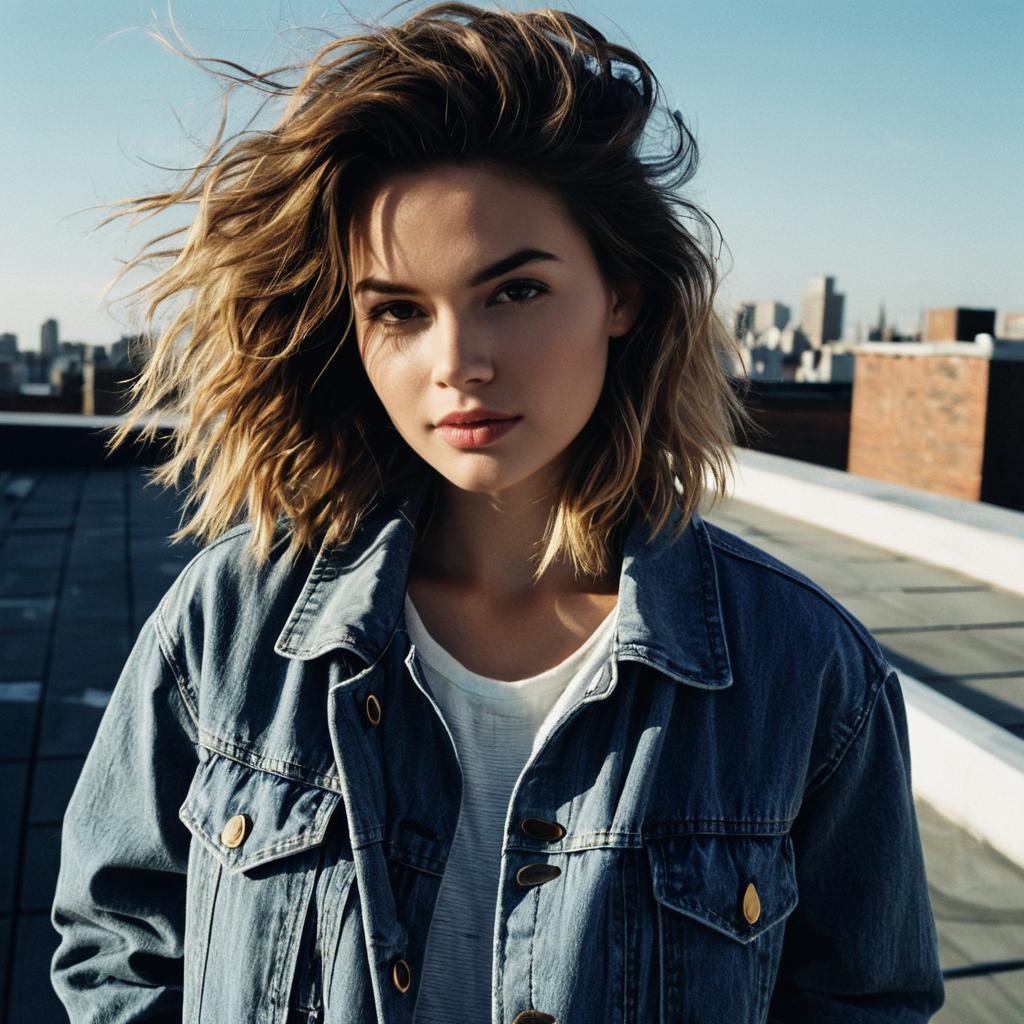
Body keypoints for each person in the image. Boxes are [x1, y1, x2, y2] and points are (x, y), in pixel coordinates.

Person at [50, 3, 945, 1021]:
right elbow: (119, 946)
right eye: (397, 310)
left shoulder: (803, 668)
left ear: (624, 294)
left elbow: (863, 1000)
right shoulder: (233, 627)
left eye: (513, 292)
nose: (457, 363)